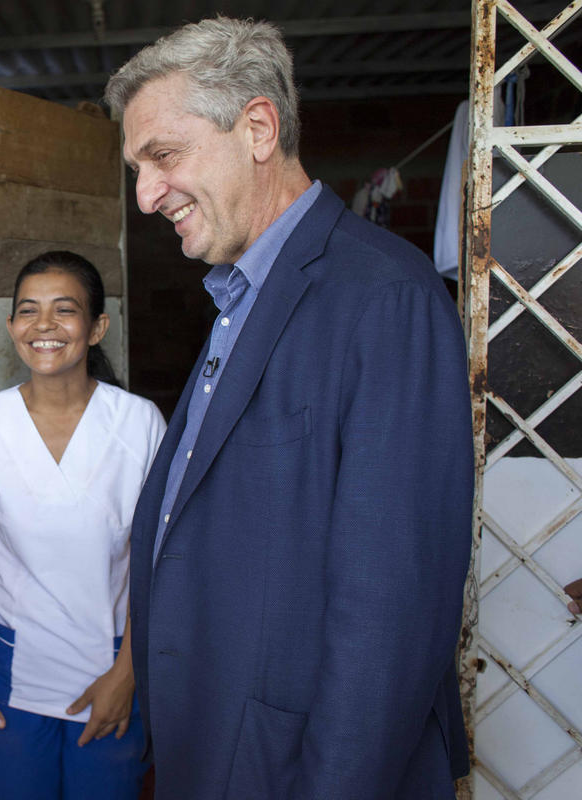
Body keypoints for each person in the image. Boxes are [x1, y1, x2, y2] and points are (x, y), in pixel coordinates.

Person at [105, 17, 474, 799]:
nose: (144, 196)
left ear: (259, 128)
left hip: (297, 766)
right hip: (221, 749)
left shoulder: (385, 298)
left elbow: (389, 613)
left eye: (163, 157)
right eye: (137, 168)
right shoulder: (241, 295)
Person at [0, 251, 165, 800]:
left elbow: (156, 563)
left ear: (96, 329)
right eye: (28, 311)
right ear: (12, 326)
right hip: (6, 666)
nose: (44, 326)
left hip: (111, 665)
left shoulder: (139, 424)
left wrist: (128, 675)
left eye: (65, 310)